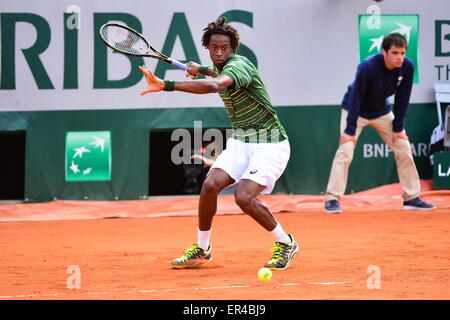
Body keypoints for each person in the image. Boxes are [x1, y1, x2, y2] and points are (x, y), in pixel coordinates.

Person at [139, 17, 298, 270]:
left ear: (232, 49)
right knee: (210, 185)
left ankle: (285, 242)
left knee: (243, 197)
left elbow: (215, 84)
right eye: (215, 48)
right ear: (209, 47)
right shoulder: (220, 66)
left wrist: (167, 85)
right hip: (241, 141)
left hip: (269, 143)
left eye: (225, 48)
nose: (220, 52)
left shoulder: (240, 66)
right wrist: (199, 68)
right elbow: (213, 72)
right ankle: (202, 249)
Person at [324, 33, 435, 214]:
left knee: (403, 146)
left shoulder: (407, 67)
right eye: (395, 53)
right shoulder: (367, 66)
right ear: (384, 52)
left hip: (381, 112)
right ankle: (332, 199)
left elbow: (402, 98)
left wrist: (398, 127)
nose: (400, 57)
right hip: (355, 110)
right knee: (345, 151)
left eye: (402, 53)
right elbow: (356, 97)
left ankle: (412, 197)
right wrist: (350, 130)